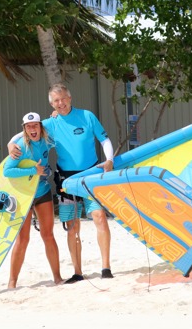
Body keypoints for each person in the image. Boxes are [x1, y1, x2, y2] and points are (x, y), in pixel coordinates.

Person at [8, 83, 115, 284]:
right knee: (72, 225)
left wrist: (109, 160)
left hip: (91, 175)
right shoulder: (50, 123)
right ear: (52, 104)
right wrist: (10, 144)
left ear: (70, 98)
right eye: (56, 101)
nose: (61, 103)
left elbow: (105, 140)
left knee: (99, 217)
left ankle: (106, 268)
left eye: (63, 99)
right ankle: (77, 272)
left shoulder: (87, 116)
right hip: (67, 180)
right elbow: (24, 133)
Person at [3, 112, 63, 288]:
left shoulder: (47, 141)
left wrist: (56, 114)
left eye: (35, 125)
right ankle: (12, 282)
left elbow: (58, 128)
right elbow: (8, 171)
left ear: (40, 127)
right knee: (23, 240)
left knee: (48, 235)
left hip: (43, 191)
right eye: (28, 127)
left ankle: (58, 278)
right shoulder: (20, 147)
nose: (32, 129)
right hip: (24, 196)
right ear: (24, 129)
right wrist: (33, 171)